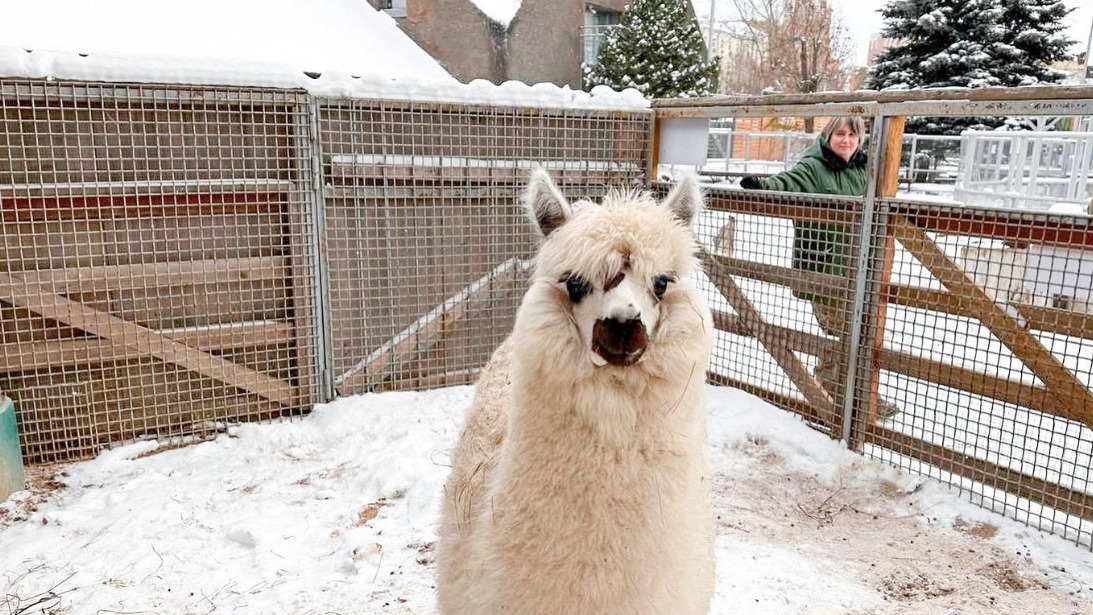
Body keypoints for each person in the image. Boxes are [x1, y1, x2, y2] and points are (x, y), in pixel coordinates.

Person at [740, 116, 900, 419]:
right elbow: (788, 182)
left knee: (859, 333)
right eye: (840, 134)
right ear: (828, 137)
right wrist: (762, 186)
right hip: (824, 268)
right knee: (845, 332)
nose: (846, 141)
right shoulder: (814, 166)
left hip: (857, 268)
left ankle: (850, 397)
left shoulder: (863, 169)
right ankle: (836, 396)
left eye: (853, 135)